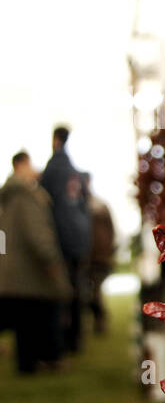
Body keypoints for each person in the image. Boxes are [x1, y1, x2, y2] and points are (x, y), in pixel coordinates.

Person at [0, 152, 71, 374]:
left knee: (24, 323)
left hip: (14, 269)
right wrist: (50, 258)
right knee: (35, 318)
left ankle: (28, 365)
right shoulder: (27, 196)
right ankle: (41, 362)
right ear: (21, 165)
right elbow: (37, 234)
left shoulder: (9, 196)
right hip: (31, 269)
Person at [40, 126, 92, 353]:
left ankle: (61, 340)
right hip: (79, 237)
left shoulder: (52, 169)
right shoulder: (74, 170)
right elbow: (84, 203)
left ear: (55, 139)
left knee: (59, 291)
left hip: (61, 237)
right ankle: (76, 338)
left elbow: (43, 204)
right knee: (76, 289)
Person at [84, 177, 116, 334]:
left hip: (99, 255)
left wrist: (109, 249)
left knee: (95, 291)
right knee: (91, 292)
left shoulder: (99, 206)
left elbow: (110, 230)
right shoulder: (89, 205)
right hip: (90, 255)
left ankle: (99, 321)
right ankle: (98, 320)